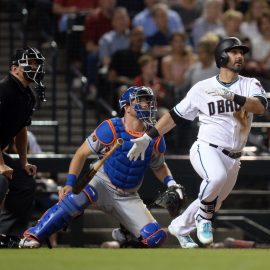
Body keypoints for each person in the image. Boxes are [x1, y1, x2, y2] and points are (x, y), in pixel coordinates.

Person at [127, 37, 267, 248]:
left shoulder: (250, 84)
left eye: (242, 53)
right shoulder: (202, 88)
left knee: (214, 201)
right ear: (221, 56)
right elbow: (174, 116)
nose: (240, 56)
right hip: (207, 148)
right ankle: (203, 219)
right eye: (234, 52)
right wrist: (147, 137)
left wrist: (232, 96)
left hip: (235, 157)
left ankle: (179, 227)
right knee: (215, 179)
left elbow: (260, 107)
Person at [19, 86, 184, 248]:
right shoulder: (111, 128)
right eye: (141, 101)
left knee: (156, 237)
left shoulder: (155, 136)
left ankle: (125, 235)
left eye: (149, 101)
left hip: (128, 195)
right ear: (126, 107)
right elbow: (81, 153)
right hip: (101, 182)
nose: (147, 105)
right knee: (74, 199)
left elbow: (159, 166)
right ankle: (32, 235)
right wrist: (70, 183)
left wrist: (171, 183)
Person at [0, 47, 46, 248]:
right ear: (14, 68)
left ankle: (8, 235)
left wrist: (24, 161)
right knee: (1, 180)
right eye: (30, 62)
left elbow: (21, 129)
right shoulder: (4, 90)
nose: (35, 67)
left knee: (25, 180)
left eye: (37, 63)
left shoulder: (28, 96)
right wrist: (1, 164)